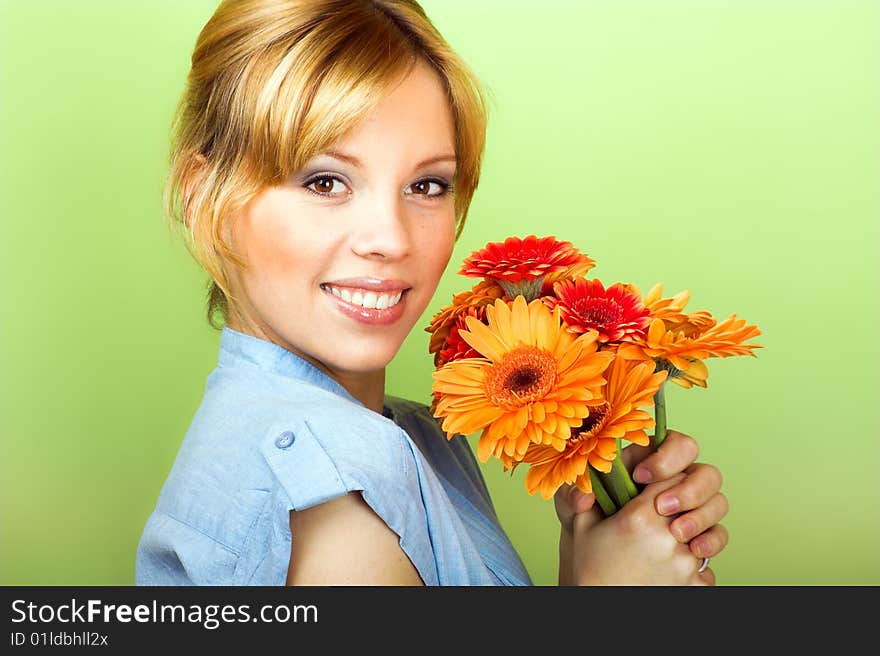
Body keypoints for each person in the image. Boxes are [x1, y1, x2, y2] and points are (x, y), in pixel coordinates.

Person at [136, 0, 728, 586]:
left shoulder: (412, 439)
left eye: (427, 184)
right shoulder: (336, 506)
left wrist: (594, 545)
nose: (391, 239)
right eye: (325, 180)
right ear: (201, 197)